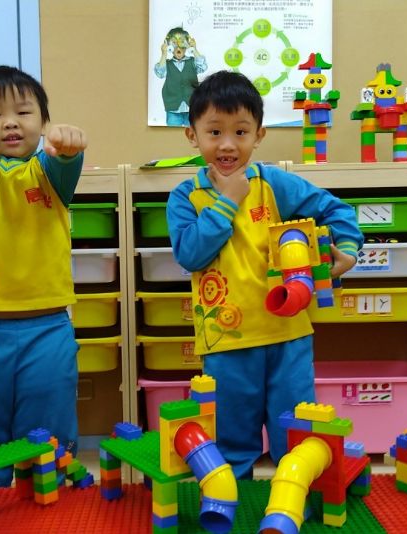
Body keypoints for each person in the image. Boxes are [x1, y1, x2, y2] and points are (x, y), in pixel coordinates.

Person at [165, 71, 364, 478]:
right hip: (226, 340)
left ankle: (298, 488)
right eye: (214, 132)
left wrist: (347, 248)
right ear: (192, 135)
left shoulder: (273, 182)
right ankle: (231, 497)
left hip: (288, 334)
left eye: (240, 132)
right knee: (231, 440)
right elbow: (191, 254)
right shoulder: (186, 197)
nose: (227, 144)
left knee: (296, 431)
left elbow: (335, 209)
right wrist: (227, 202)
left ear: (259, 135)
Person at [0, 65, 88, 487]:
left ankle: (47, 500)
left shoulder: (48, 173)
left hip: (48, 327)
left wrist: (68, 147)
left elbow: (65, 162)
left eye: (24, 112)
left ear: (43, 123)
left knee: (47, 428)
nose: (9, 122)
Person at [154, 27, 207, 127]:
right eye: (174, 43)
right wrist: (164, 54)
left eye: (182, 42)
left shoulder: (192, 61)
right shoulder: (167, 64)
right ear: (169, 46)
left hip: (192, 108)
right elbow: (160, 73)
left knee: (192, 132)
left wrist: (194, 49)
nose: (178, 47)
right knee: (171, 134)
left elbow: (203, 67)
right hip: (173, 109)